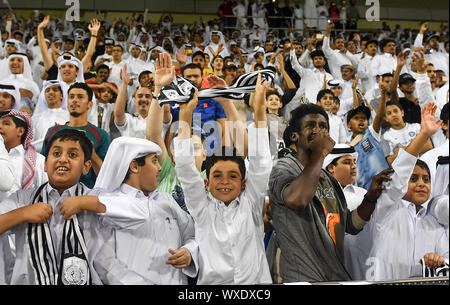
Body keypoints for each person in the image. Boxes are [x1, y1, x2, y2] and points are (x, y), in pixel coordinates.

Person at [268, 103, 387, 282]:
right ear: (294, 136)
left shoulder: (326, 177)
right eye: (311, 126)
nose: (319, 131)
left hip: (334, 274)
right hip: (301, 277)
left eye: (323, 126)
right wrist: (320, 154)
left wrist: (369, 198)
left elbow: (350, 225)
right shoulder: (284, 167)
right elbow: (297, 200)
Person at [58, 136, 200, 284]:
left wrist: (189, 252)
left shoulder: (167, 200)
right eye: (154, 161)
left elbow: (193, 235)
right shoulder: (105, 204)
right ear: (134, 166)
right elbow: (104, 262)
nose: (160, 168)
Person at [174, 73, 272, 285]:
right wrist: (185, 117)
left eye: (233, 176)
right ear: (206, 183)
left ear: (244, 183)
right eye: (217, 175)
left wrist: (259, 112)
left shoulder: (251, 204)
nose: (225, 181)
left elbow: (261, 162)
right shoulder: (201, 208)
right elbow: (185, 169)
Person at [0, 129, 109, 284]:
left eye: (72, 155)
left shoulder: (97, 199)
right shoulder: (22, 199)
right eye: (56, 154)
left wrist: (85, 202)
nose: (63, 159)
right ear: (45, 164)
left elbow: (129, 210)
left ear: (86, 167)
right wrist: (22, 214)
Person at [367, 102, 449, 281]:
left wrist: (439, 260)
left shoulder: (433, 222)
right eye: (413, 179)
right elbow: (400, 172)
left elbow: (446, 255)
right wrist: (424, 134)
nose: (421, 184)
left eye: (426, 180)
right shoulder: (387, 209)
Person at [41, 83, 110, 188]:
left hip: (87, 195)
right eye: (71, 97)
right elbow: (42, 167)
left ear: (90, 104)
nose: (75, 100)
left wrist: (92, 154)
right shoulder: (52, 131)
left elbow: (106, 176)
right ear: (67, 102)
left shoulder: (101, 135)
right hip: (54, 193)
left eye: (80, 97)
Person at [114, 64, 171, 140]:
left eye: (147, 96)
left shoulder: (159, 120)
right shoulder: (128, 119)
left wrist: (160, 86)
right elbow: (118, 114)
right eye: (140, 96)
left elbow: (166, 110)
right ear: (134, 100)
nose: (144, 99)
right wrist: (124, 84)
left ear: (152, 101)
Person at [0, 110, 47, 202]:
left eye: (6, 123)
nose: (0, 127)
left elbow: (46, 194)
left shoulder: (38, 161)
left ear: (20, 131)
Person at [382, 100, 433, 165]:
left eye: (395, 111)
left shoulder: (416, 127)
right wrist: (418, 146)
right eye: (389, 113)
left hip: (424, 165)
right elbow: (390, 161)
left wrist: (401, 150)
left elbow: (428, 146)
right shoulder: (385, 137)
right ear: (386, 118)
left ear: (402, 112)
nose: (393, 115)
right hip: (404, 170)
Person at [31, 80, 70, 152]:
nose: (51, 92)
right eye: (47, 90)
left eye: (55, 90)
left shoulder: (69, 117)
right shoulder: (35, 118)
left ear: (62, 95)